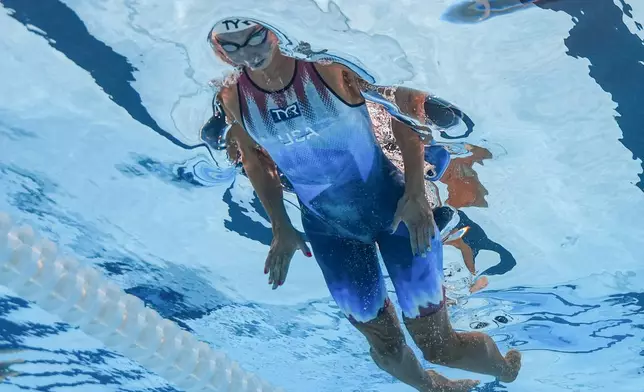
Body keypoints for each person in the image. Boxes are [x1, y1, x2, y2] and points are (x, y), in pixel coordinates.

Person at [209, 18, 521, 391]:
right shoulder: (233, 97)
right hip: (329, 230)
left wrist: (417, 194)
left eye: (255, 38)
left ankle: (504, 370)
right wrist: (280, 225)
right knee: (386, 348)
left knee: (438, 346)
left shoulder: (328, 69)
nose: (249, 53)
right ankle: (435, 388)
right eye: (234, 47)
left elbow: (405, 104)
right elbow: (255, 160)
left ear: (274, 31)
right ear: (220, 52)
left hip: (395, 210)